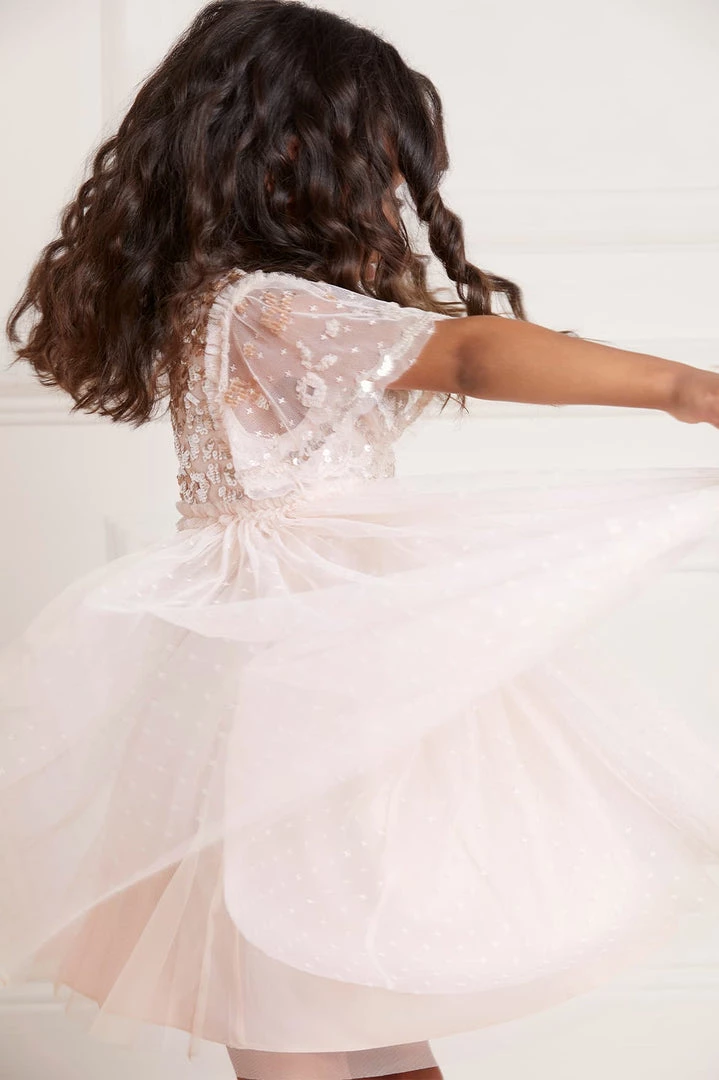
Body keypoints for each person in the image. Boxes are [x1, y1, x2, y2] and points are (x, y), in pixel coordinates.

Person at [3, 2, 719, 1078]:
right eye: (375, 156)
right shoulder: (259, 307)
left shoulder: (233, 301)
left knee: (347, 982)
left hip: (309, 659)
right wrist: (683, 388)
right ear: (284, 147)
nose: (390, 187)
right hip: (299, 670)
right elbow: (468, 354)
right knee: (298, 990)